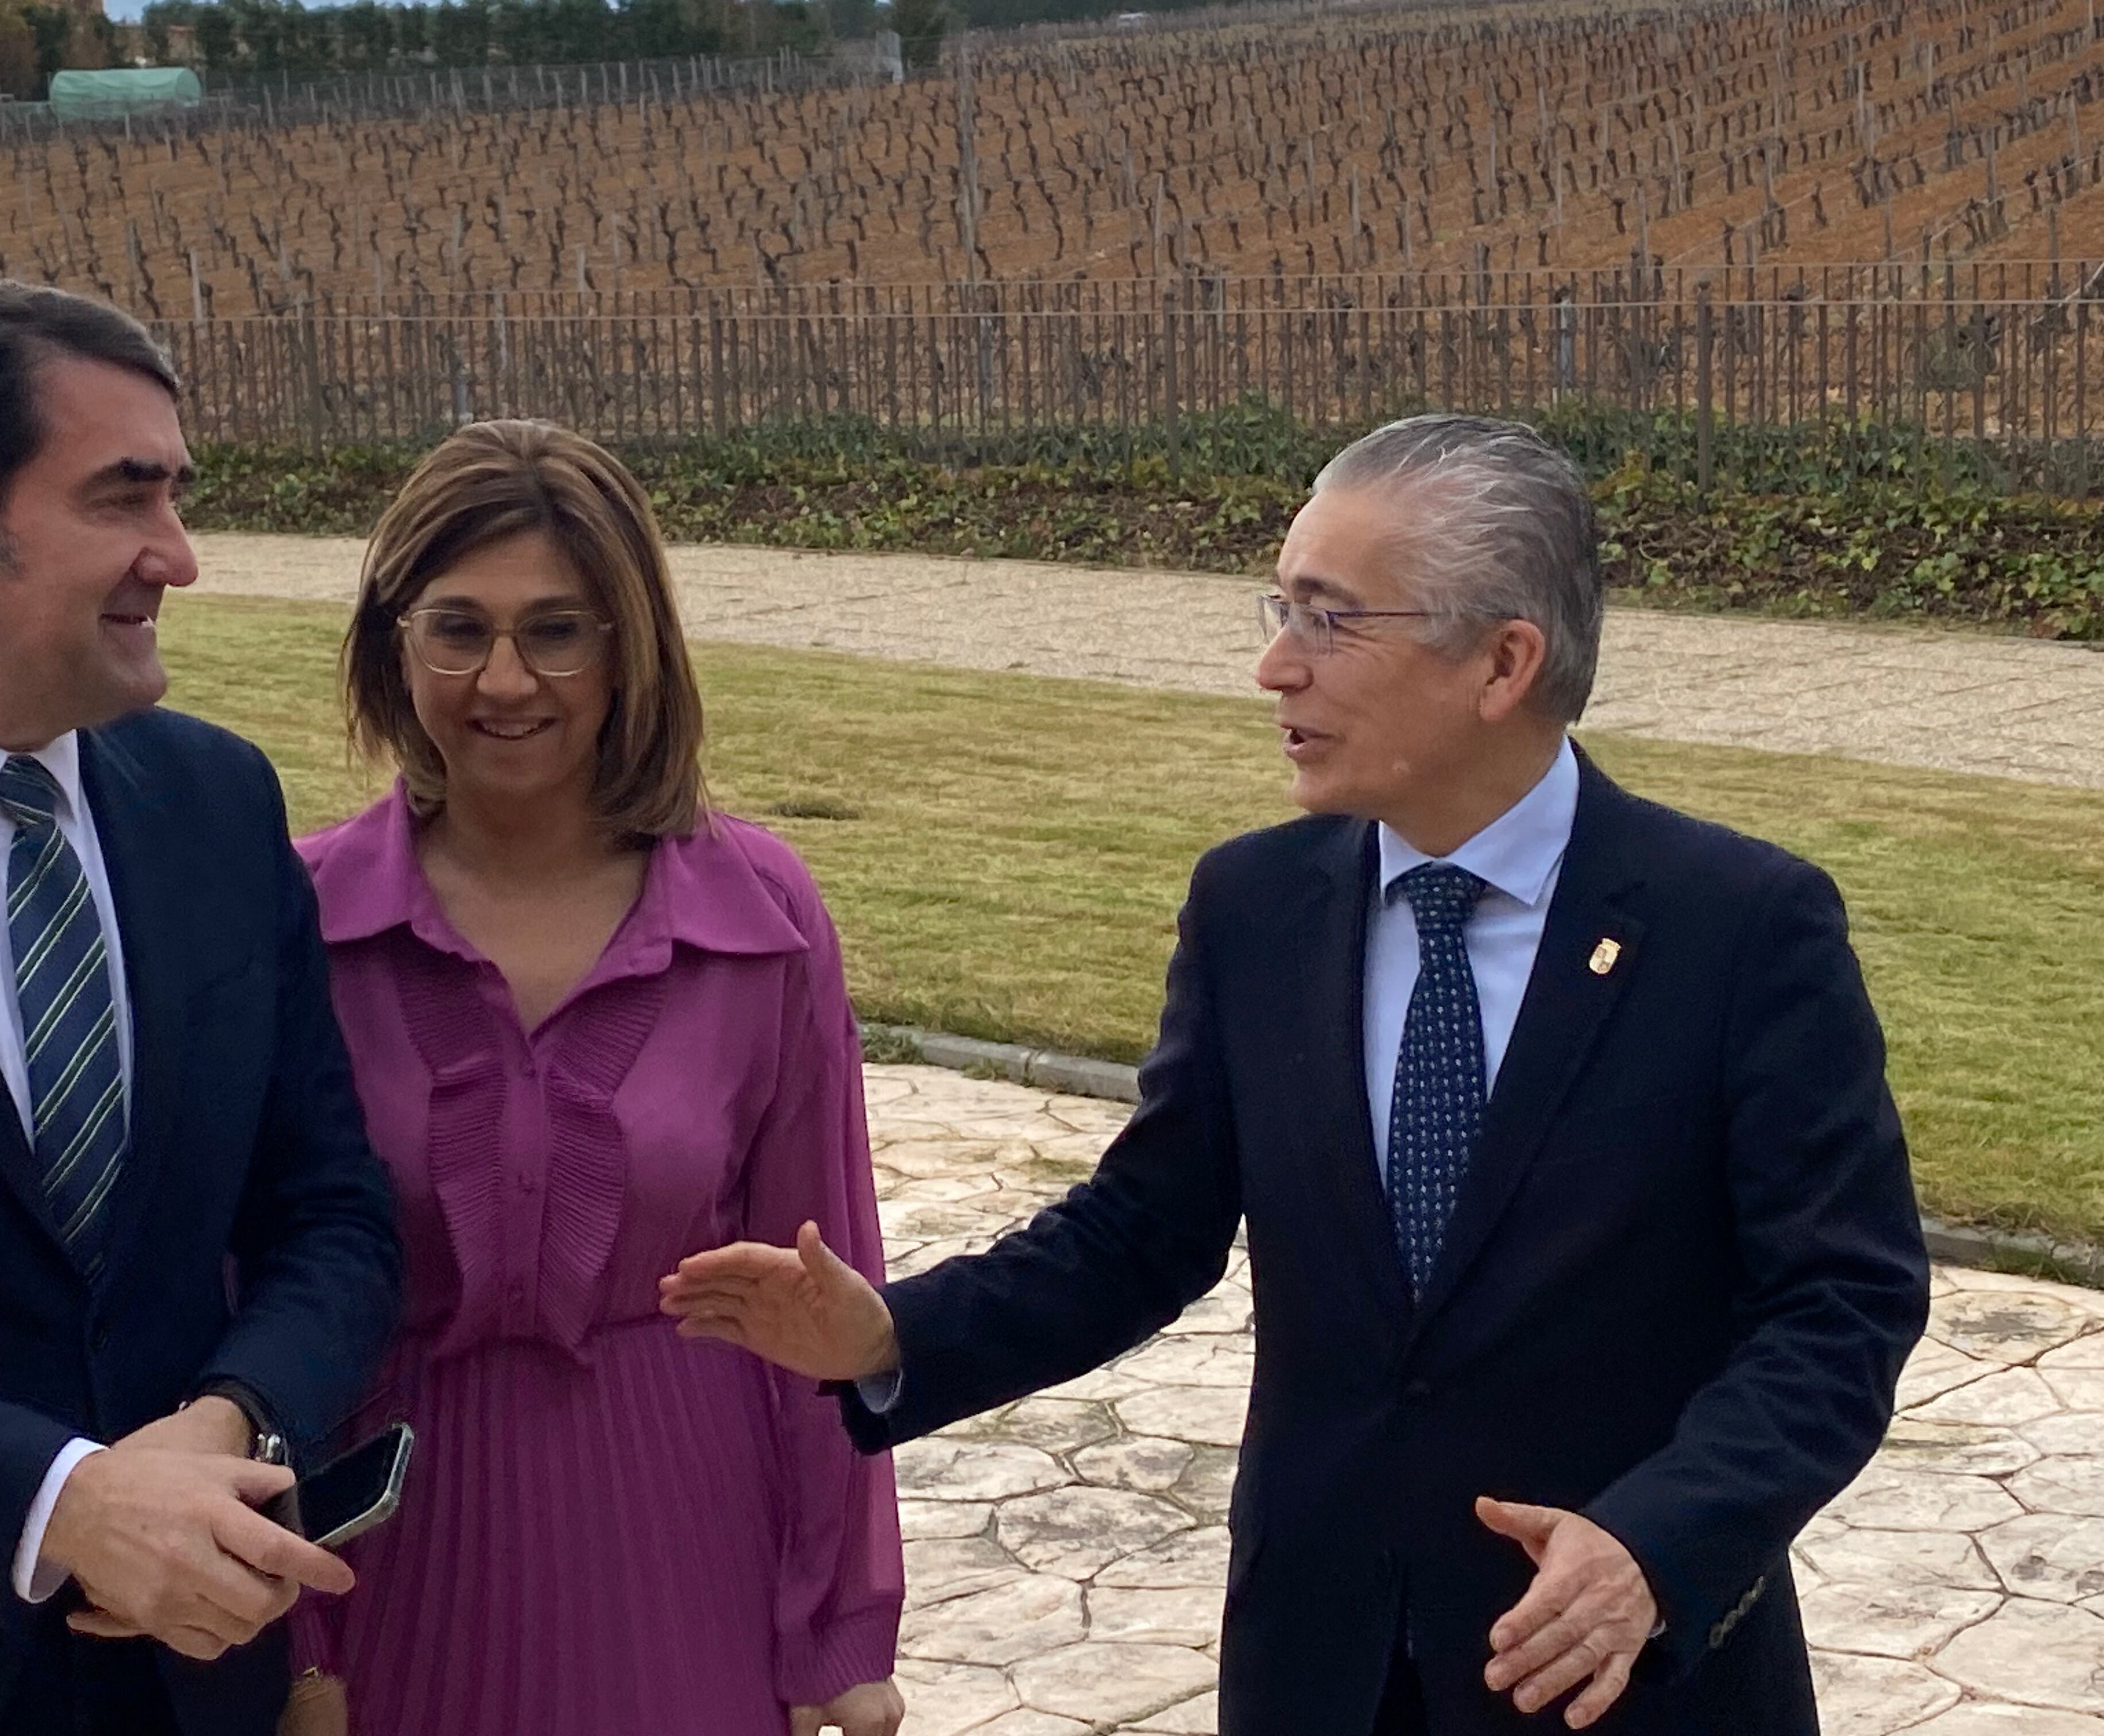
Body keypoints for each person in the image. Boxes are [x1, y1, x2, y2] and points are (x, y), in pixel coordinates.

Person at [662, 415, 1931, 1735]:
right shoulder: (1254, 906)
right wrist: (892, 1339)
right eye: (1281, 610)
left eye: (1330, 622)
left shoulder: (1736, 925)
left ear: (1503, 662)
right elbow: (1144, 1232)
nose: (1275, 669)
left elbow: (1842, 1304)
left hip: (1622, 1679)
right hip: (1322, 1668)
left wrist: (1659, 1548)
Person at [0, 279, 403, 1736]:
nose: (178, 557)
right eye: (126, 498)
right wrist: (61, 1504)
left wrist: (223, 1428)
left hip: (192, 1688)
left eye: (178, 495)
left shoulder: (216, 801)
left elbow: (330, 1213)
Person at [288, 420, 904, 1736]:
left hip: (687, 1533)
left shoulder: (761, 916)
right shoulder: (298, 919)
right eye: (458, 628)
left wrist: (835, 1633)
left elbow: (825, 1291)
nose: (503, 681)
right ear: (393, 644)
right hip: (382, 1555)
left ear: (628, 648)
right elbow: (239, 1285)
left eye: (556, 631)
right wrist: (294, 1645)